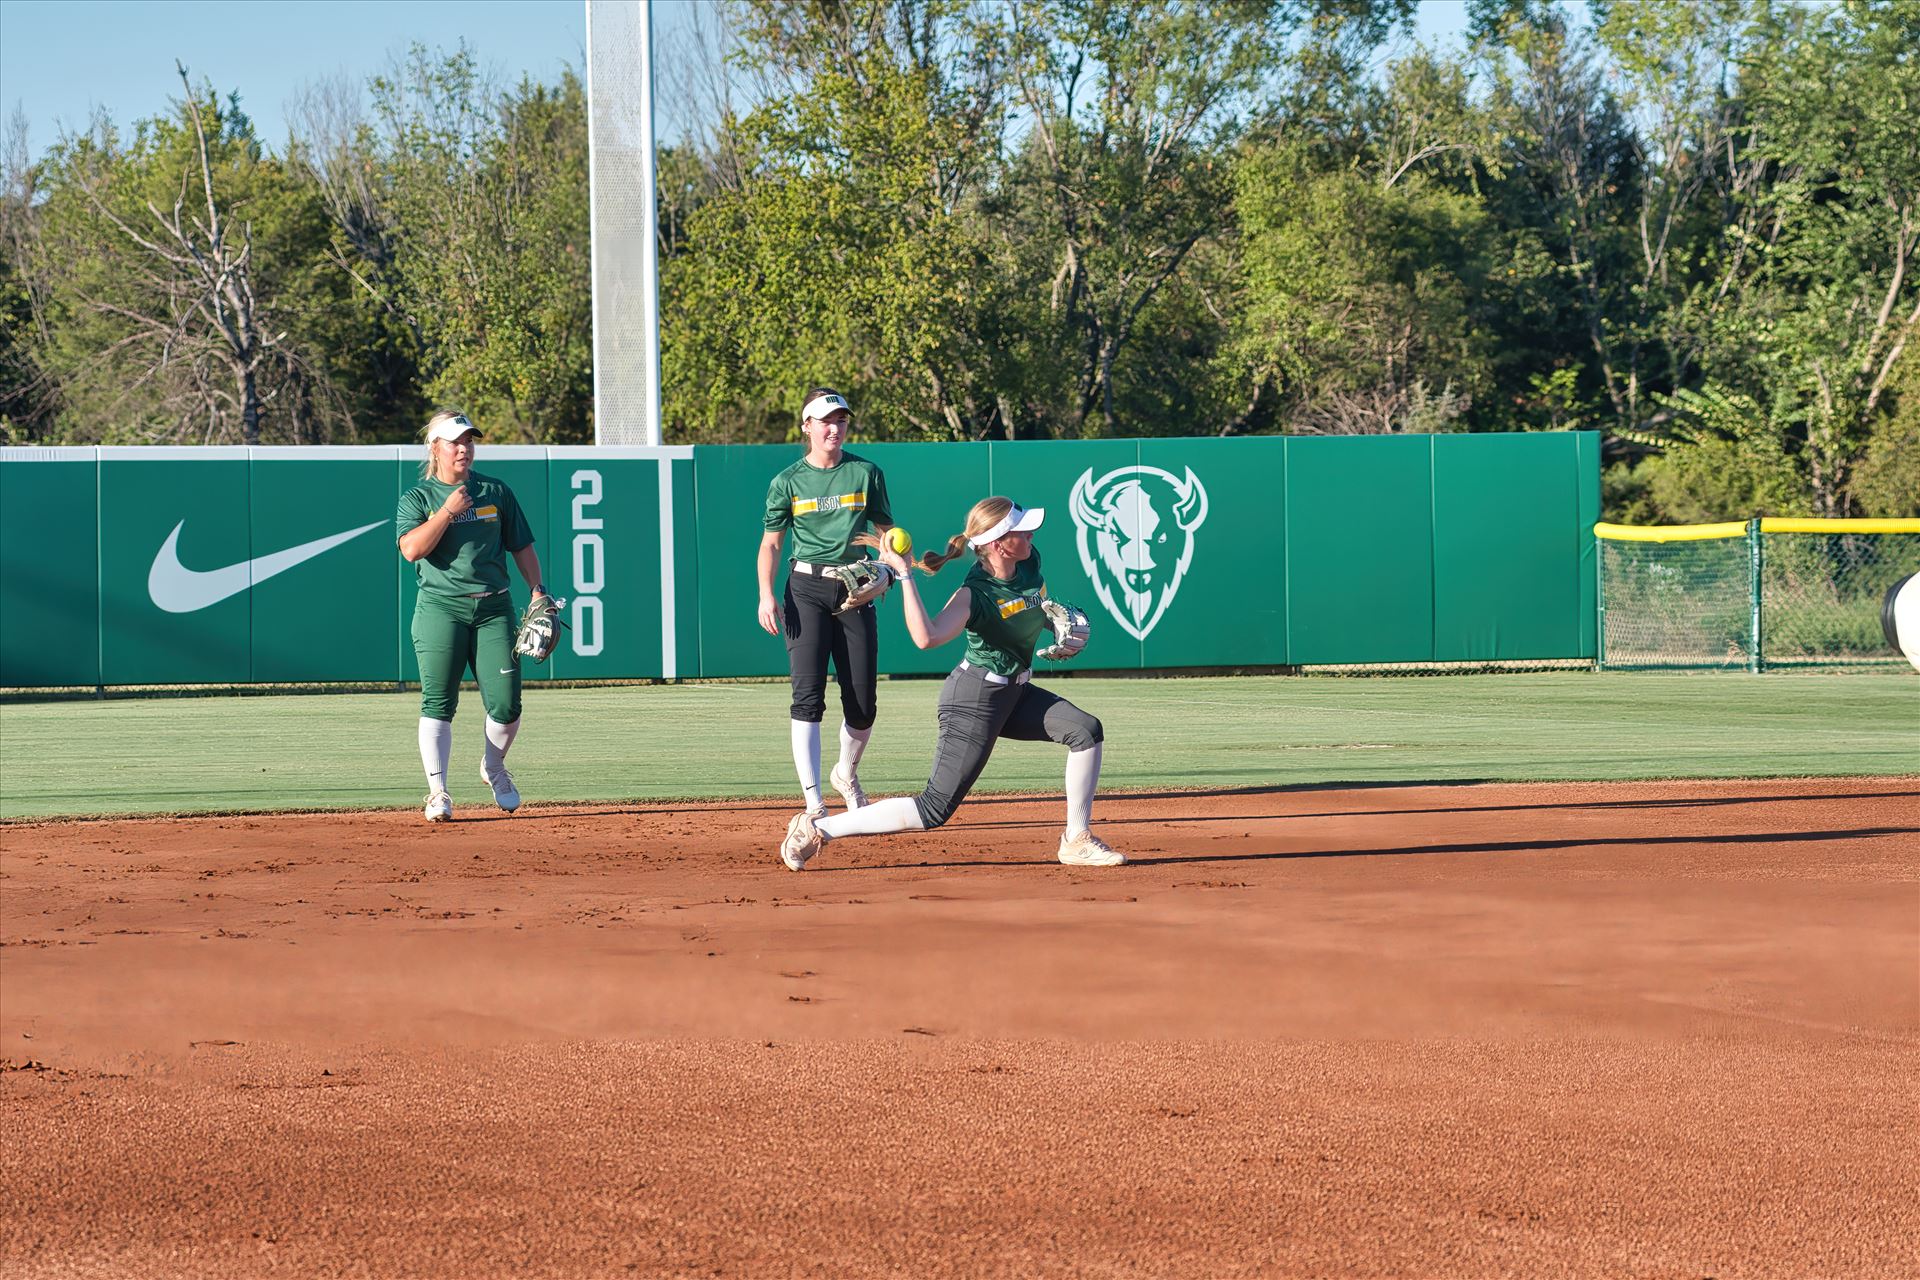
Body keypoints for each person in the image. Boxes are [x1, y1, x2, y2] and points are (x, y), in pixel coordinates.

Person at [777, 496, 1123, 871]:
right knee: (934, 808)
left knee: (1085, 730)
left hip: (1016, 692)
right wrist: (905, 575)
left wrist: (1054, 624)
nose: (1031, 533)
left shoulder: (1030, 565)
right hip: (974, 698)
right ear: (998, 543)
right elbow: (926, 638)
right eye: (1021, 530)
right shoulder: (974, 594)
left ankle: (1076, 839)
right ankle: (816, 828)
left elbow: (1030, 609)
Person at [396, 410, 549, 822]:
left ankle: (493, 768)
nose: (464, 448)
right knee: (438, 702)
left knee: (506, 704)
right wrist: (446, 512)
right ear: (436, 448)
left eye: (469, 440)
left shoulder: (495, 491)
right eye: (454, 441)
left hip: (493, 607)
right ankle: (438, 793)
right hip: (440, 608)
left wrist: (537, 590)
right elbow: (411, 550)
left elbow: (521, 546)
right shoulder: (418, 498)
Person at [757, 386, 895, 820]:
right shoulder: (788, 481)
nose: (835, 427)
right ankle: (814, 800)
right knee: (807, 697)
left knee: (863, 702)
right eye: (826, 420)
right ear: (808, 427)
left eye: (841, 420)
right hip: (806, 588)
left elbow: (886, 532)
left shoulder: (866, 473)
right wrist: (765, 594)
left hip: (855, 588)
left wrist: (890, 566)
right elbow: (771, 544)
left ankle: (846, 773)